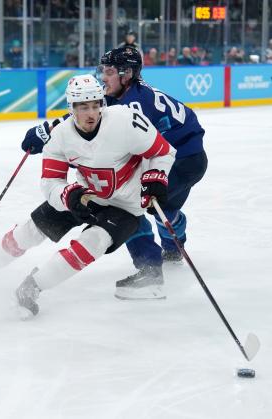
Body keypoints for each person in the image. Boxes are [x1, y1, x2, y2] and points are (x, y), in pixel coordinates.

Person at [0, 74, 174, 317]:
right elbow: (51, 183)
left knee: (93, 242)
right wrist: (68, 196)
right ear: (71, 108)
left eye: (95, 105)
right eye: (83, 107)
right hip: (87, 196)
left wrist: (155, 177)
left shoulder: (126, 122)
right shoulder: (59, 137)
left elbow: (163, 151)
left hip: (126, 206)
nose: (91, 113)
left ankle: (33, 287)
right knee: (33, 229)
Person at [21, 47, 208, 300]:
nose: (103, 78)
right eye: (103, 71)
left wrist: (50, 133)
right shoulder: (126, 95)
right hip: (187, 155)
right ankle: (175, 240)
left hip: (182, 158)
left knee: (129, 204)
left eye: (108, 72)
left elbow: (107, 119)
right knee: (163, 207)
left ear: (127, 74)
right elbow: (90, 111)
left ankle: (150, 271)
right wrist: (47, 131)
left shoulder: (135, 104)